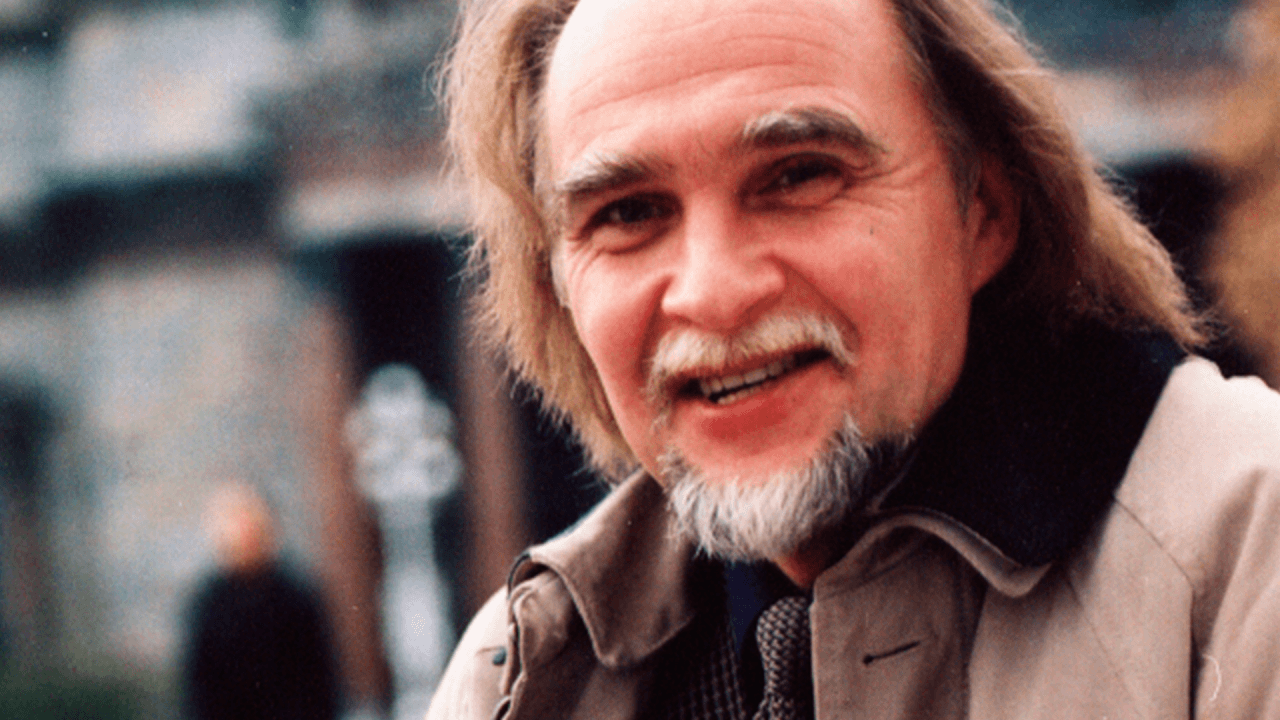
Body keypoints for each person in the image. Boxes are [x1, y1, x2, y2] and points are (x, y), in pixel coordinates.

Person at [429, 0, 1280, 717]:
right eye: (628, 213)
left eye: (799, 175)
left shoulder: (1250, 548)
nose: (714, 293)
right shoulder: (515, 671)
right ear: (556, 286)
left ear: (983, 211)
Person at [182, 483, 341, 720]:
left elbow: (318, 682)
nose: (244, 533)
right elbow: (200, 689)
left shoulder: (295, 596)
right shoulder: (209, 603)